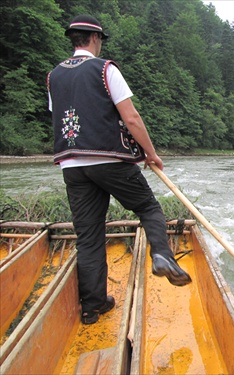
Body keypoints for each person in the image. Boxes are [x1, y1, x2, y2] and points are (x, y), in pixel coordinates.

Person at [47, 15, 191, 325]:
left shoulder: (53, 77)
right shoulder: (104, 70)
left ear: (74, 40)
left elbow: (60, 116)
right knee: (148, 207)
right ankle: (162, 254)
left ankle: (92, 307)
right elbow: (132, 118)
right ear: (95, 39)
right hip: (109, 160)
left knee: (88, 236)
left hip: (72, 165)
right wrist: (151, 154)